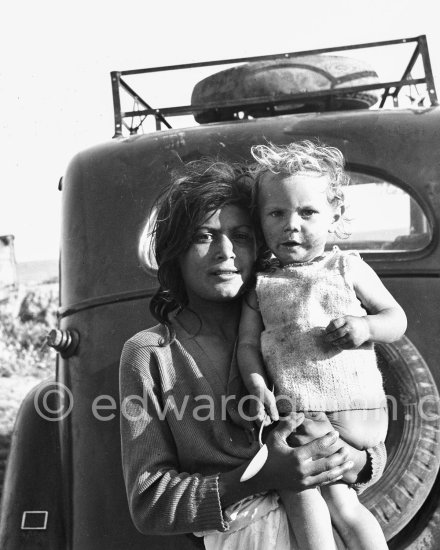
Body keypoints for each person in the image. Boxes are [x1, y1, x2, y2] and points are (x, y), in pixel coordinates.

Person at [119, 158, 375, 549]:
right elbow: (149, 502)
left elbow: (362, 431)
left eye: (240, 236)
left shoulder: (294, 326)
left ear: (260, 245)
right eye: (203, 236)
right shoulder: (150, 355)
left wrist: (354, 461)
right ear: (175, 252)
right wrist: (261, 477)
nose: (225, 252)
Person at [237, 141, 408, 550]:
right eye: (277, 213)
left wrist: (365, 327)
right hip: (300, 411)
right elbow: (247, 345)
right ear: (261, 222)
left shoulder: (347, 266)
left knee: (325, 498)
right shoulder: (261, 285)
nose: (291, 224)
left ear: (335, 216)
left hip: (357, 411)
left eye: (307, 212)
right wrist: (257, 385)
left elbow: (395, 319)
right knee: (322, 497)